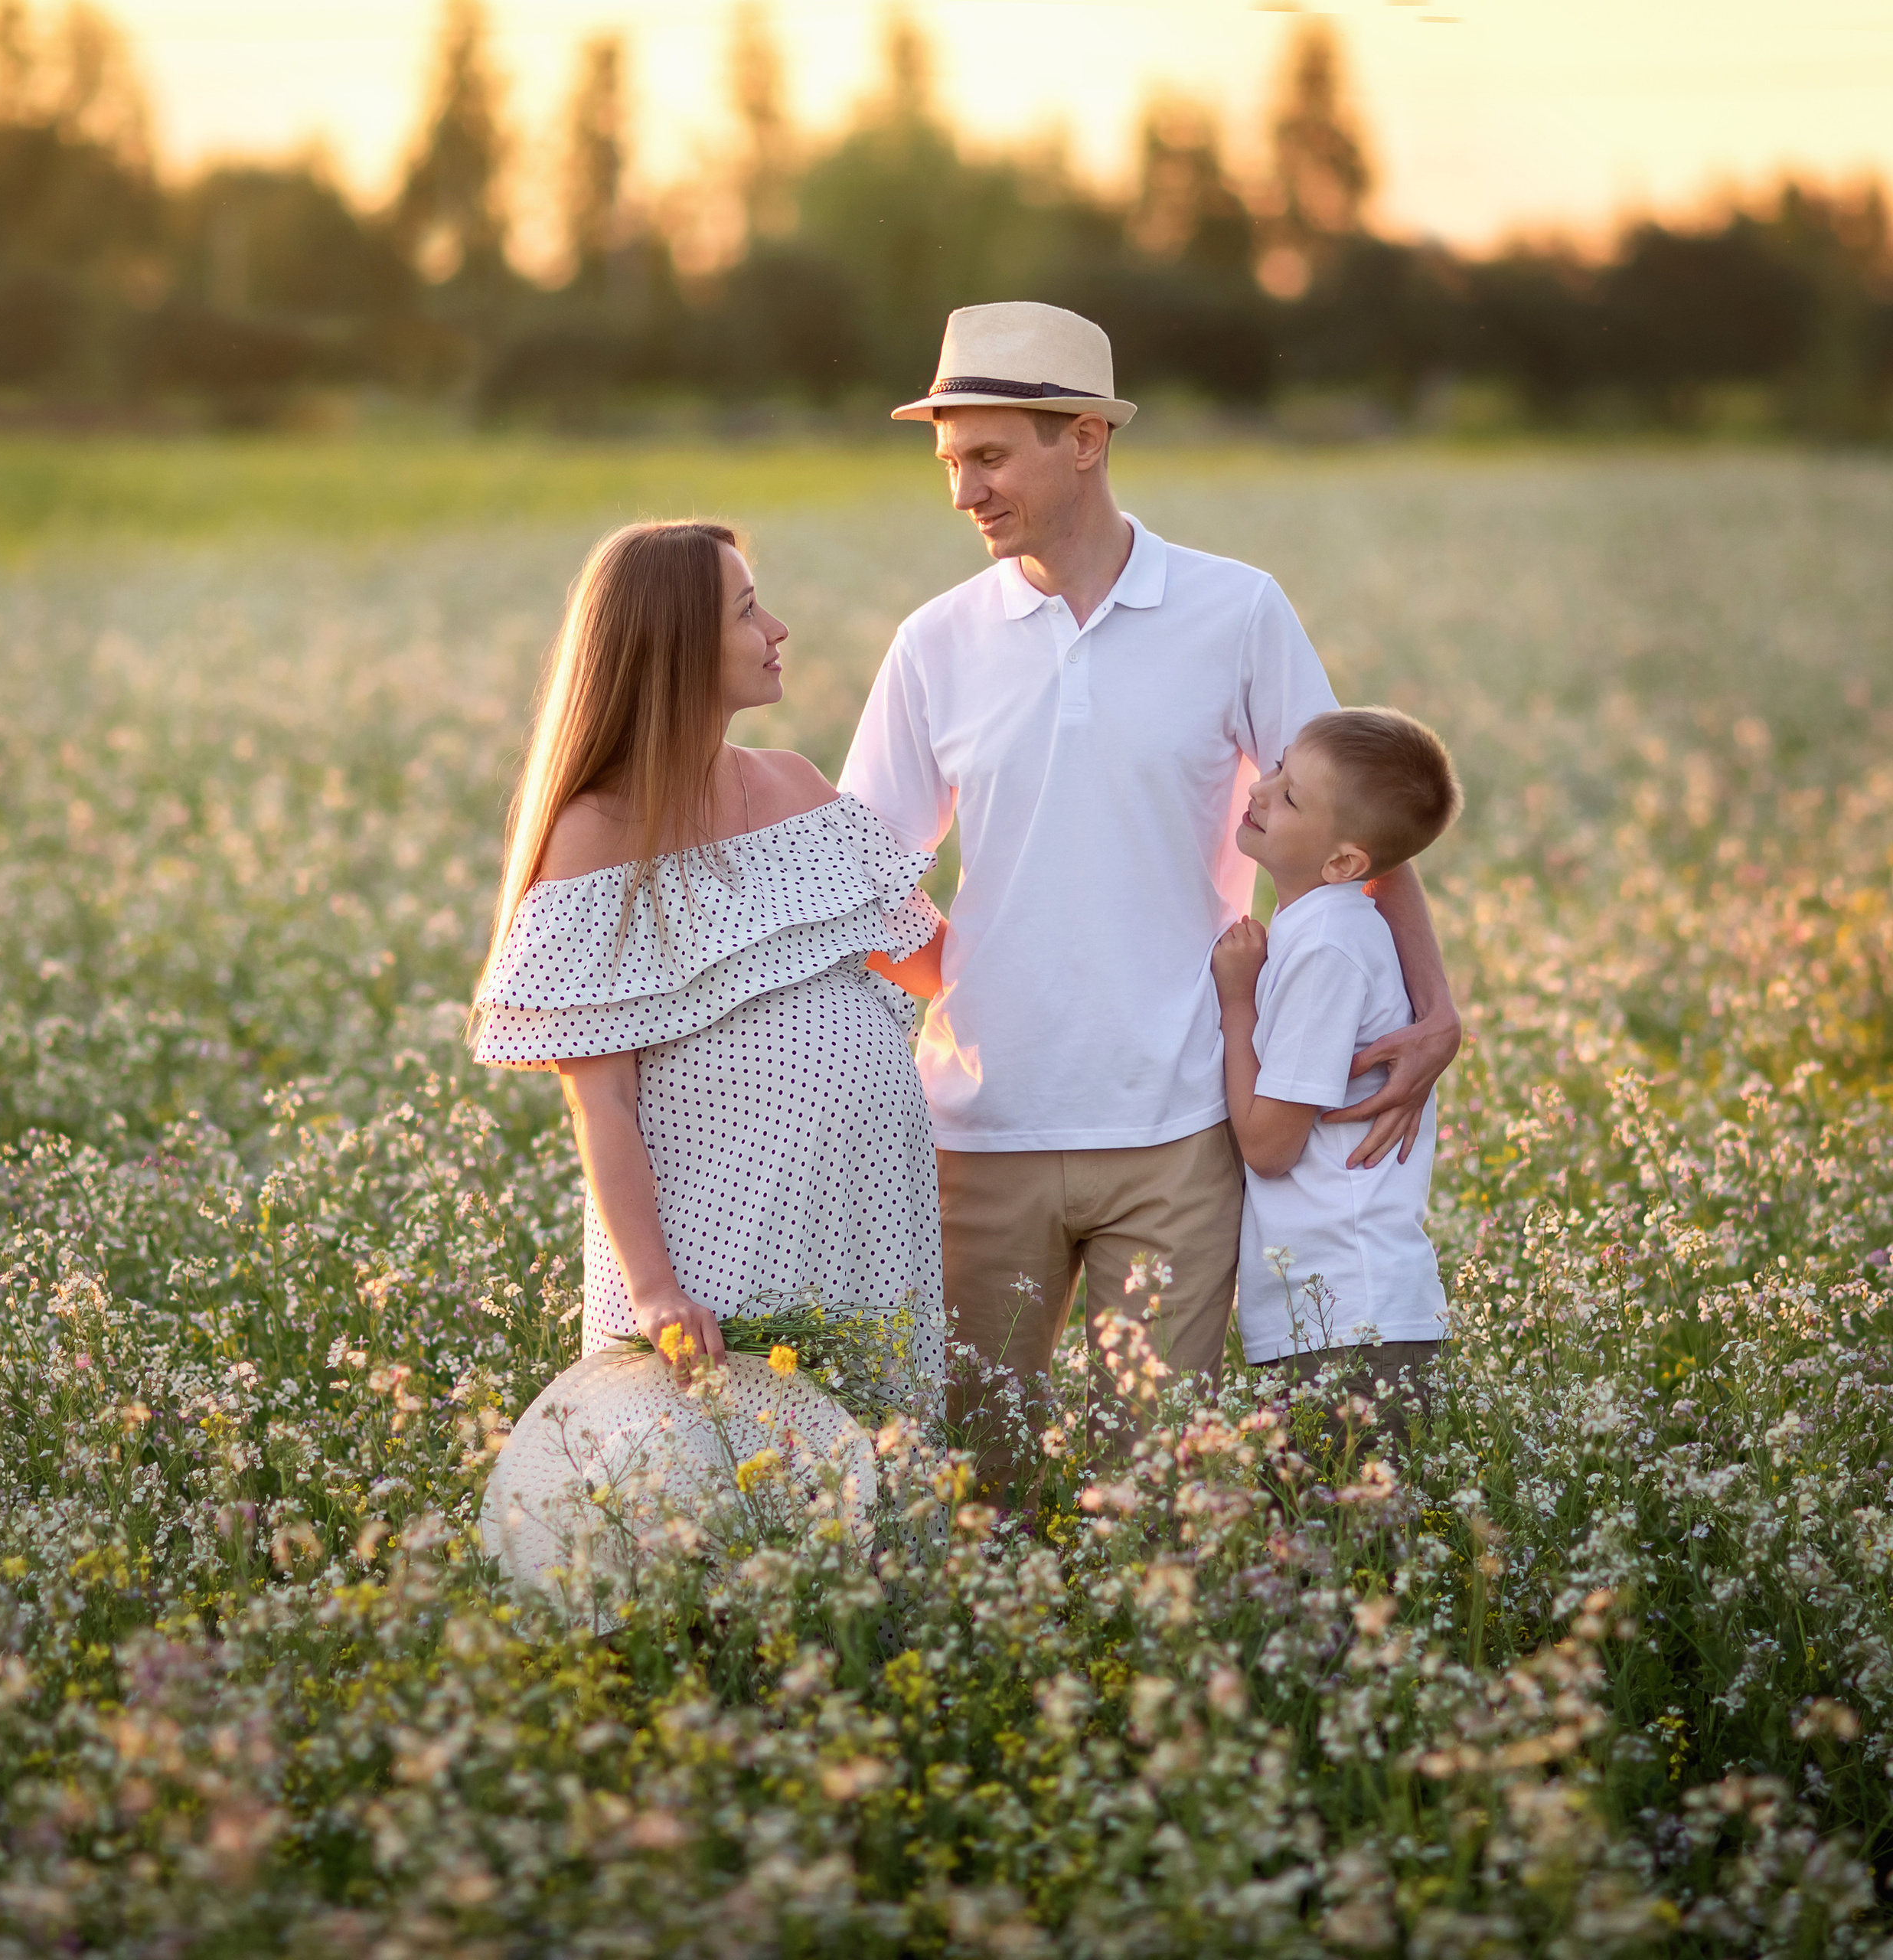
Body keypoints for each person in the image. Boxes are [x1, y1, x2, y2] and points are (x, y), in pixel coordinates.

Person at [842, 301, 1460, 1436]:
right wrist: (970, 982)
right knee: (982, 1487)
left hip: (1179, 1133)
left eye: (988, 456)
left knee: (1164, 1489)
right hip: (980, 1138)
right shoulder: (935, 641)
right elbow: (856, 878)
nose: (962, 490)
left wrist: (1439, 1007)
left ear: (1085, 439)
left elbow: (1354, 835)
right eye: (949, 460)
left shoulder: (1235, 609)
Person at [468, 520, 944, 1390]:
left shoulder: (797, 785)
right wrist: (655, 1294)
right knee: (728, 1500)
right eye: (748, 611)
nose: (778, 631)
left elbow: (926, 963)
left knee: (872, 1500)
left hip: (865, 1241)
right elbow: (600, 1102)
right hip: (717, 1271)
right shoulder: (594, 838)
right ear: (679, 648)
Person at [1212, 708, 1463, 1411]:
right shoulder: (1324, 928)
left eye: (1291, 796)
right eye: (1281, 766)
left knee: (1339, 1521)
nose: (1261, 788)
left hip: (1350, 1322)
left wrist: (1238, 1006)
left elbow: (1268, 1145)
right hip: (1346, 1314)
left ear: (1345, 863)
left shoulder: (1327, 948)